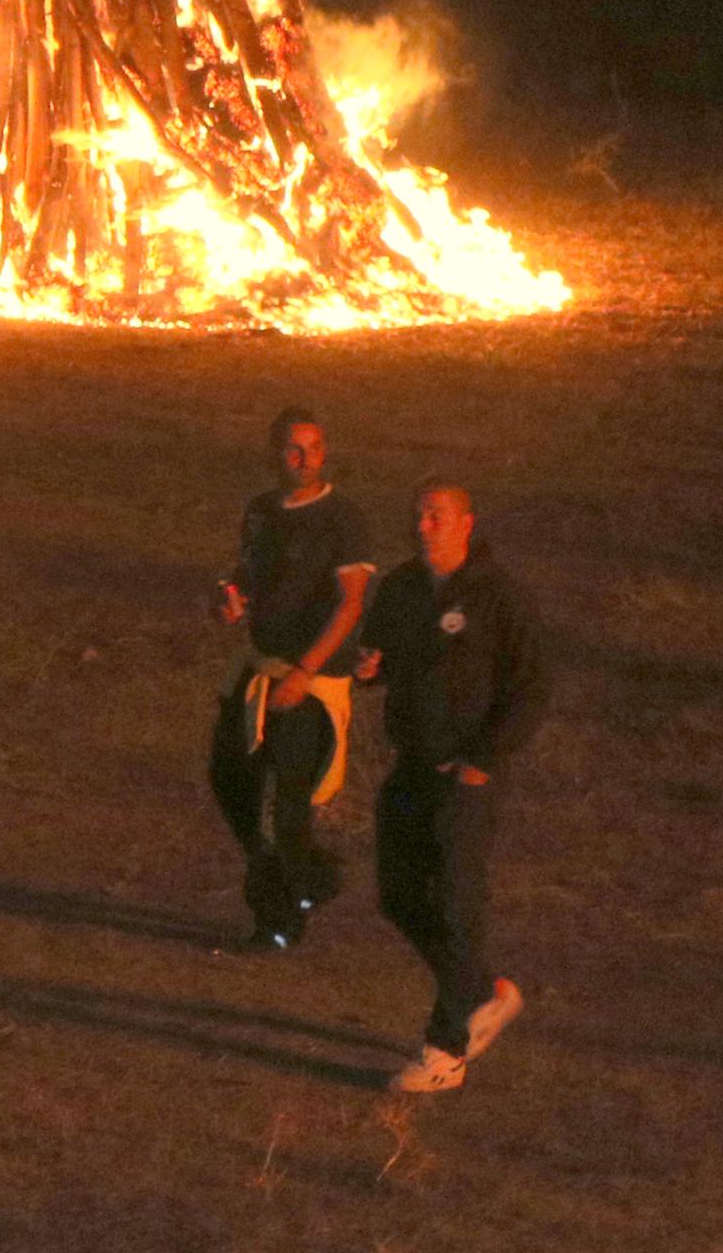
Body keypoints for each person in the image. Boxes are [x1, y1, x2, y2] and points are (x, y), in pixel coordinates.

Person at [365, 483, 544, 1093]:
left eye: (436, 516)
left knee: (455, 902)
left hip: (468, 773)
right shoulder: (401, 588)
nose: (423, 526)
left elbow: (531, 687)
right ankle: (480, 993)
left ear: (466, 523)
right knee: (396, 893)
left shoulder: (499, 597)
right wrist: (373, 668)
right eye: (416, 515)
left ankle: (446, 1053)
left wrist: (485, 761)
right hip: (412, 762)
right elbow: (387, 656)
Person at [208, 408, 379, 950]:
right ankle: (310, 874)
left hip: (313, 677)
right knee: (228, 778)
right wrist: (233, 601)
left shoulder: (342, 518)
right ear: (275, 453)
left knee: (288, 799)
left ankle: (278, 921)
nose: (304, 459)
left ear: (326, 453)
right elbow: (249, 575)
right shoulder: (261, 511)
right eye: (293, 449)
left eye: (314, 447)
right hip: (264, 667)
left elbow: (351, 605)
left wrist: (306, 672)